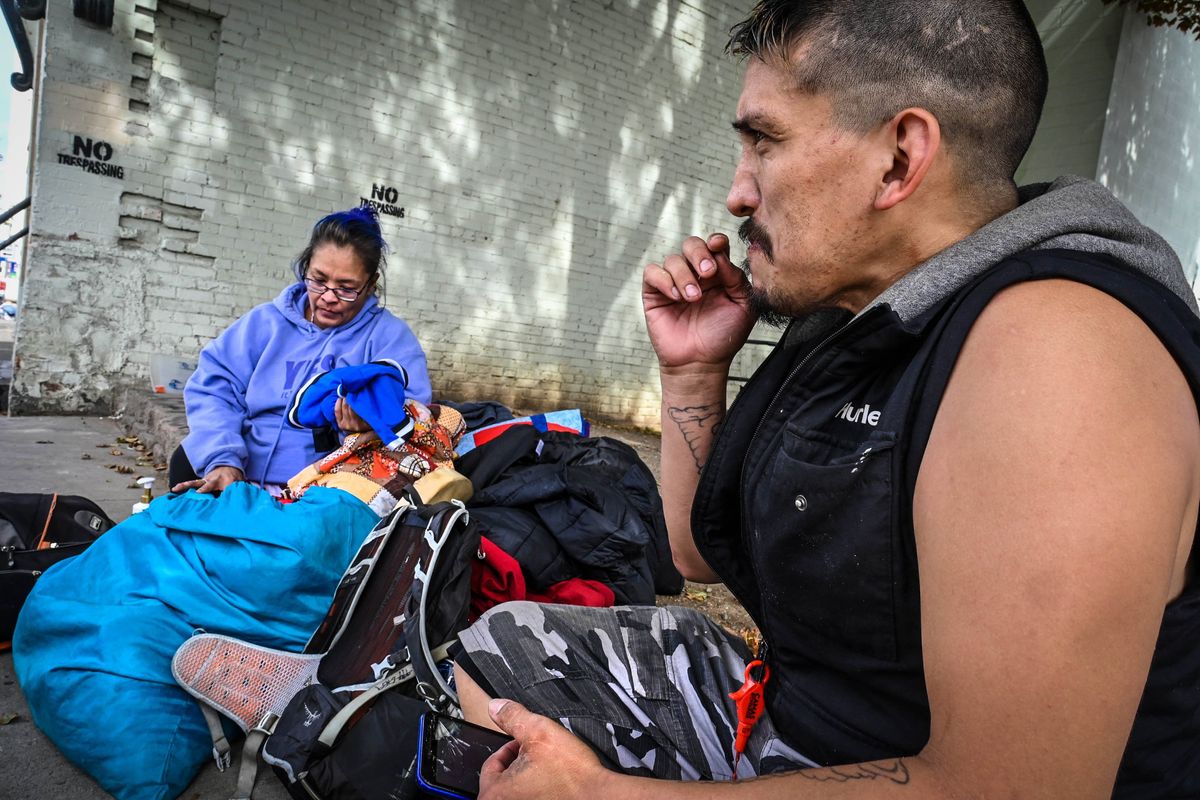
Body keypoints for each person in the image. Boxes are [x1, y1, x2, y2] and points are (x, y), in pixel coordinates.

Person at [450, 2, 1200, 798]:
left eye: (764, 142)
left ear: (899, 159)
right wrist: (694, 372)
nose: (739, 193)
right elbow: (698, 557)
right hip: (789, 714)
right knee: (495, 656)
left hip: (909, 776)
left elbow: (1010, 788)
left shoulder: (1057, 352)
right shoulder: (867, 307)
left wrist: (606, 794)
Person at [170, 205, 432, 495]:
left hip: (327, 490)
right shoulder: (264, 323)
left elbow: (415, 421)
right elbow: (214, 386)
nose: (329, 297)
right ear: (305, 268)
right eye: (319, 280)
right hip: (239, 476)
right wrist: (223, 460)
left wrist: (365, 430)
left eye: (346, 288)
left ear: (370, 285)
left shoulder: (390, 338)